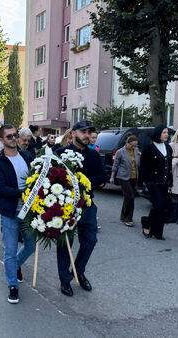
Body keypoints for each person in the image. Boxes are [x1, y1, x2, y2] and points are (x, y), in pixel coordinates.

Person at [55, 120, 107, 297]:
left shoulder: (93, 155)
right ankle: (64, 280)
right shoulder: (61, 153)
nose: (87, 135)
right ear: (73, 133)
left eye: (89, 132)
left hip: (87, 205)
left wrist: (85, 184)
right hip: (66, 206)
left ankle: (78, 272)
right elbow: (50, 178)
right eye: (83, 132)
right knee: (65, 244)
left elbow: (103, 175)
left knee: (90, 241)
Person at [0, 124, 36, 304]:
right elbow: (0, 189)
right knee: (10, 250)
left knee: (31, 245)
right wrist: (23, 193)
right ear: (1, 140)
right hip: (10, 211)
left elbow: (36, 177)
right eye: (9, 136)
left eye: (15, 135)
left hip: (29, 210)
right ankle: (13, 285)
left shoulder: (26, 156)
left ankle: (15, 265)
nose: (13, 139)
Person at [138, 125, 173, 240]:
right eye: (164, 132)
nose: (166, 135)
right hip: (152, 182)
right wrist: (140, 184)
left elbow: (169, 167)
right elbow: (143, 168)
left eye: (167, 132)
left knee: (162, 207)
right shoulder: (149, 149)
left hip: (165, 182)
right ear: (158, 134)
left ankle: (157, 231)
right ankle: (146, 223)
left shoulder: (168, 148)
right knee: (159, 205)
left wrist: (170, 182)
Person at [110, 135, 141, 227]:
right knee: (131, 196)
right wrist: (112, 177)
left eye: (135, 145)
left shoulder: (136, 150)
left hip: (134, 177)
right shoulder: (120, 152)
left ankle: (123, 216)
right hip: (123, 177)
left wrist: (140, 156)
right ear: (127, 143)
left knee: (128, 197)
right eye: (132, 145)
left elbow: (138, 164)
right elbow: (115, 165)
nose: (133, 147)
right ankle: (128, 219)